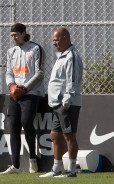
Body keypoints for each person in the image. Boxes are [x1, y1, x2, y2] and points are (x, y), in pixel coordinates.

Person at [0, 23, 45, 175]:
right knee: (13, 126)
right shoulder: (11, 51)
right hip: (15, 93)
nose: (13, 38)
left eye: (16, 35)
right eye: (11, 36)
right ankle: (15, 166)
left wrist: (24, 88)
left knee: (26, 122)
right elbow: (8, 72)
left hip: (31, 92)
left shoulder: (35, 48)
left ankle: (33, 158)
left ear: (24, 33)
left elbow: (39, 74)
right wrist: (12, 86)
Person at [39, 27, 83, 178]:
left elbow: (72, 81)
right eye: (53, 40)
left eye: (56, 40)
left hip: (67, 103)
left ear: (65, 38)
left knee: (69, 136)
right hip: (57, 103)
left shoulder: (72, 56)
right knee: (55, 135)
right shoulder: (62, 56)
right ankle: (56, 168)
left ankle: (71, 171)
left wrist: (66, 103)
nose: (54, 43)